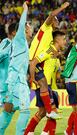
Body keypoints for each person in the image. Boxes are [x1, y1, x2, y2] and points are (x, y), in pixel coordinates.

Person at [24, 2, 69, 135]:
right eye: (56, 19)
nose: (57, 20)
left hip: (41, 72)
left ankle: (30, 132)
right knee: (50, 109)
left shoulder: (51, 44)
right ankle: (46, 129)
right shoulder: (46, 28)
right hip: (33, 61)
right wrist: (63, 7)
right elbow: (51, 15)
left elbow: (51, 53)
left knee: (43, 111)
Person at [0, 2, 32, 135]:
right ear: (21, 30)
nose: (31, 28)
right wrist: (25, 10)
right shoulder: (17, 40)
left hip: (13, 81)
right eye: (29, 26)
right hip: (16, 80)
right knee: (25, 111)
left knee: (9, 110)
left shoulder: (21, 43)